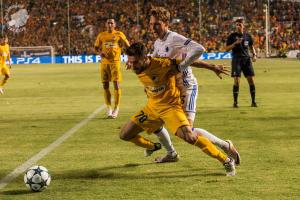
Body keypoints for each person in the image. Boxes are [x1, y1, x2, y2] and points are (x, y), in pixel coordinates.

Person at [120, 42, 237, 176]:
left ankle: (226, 160)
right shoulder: (138, 66)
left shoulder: (162, 64)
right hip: (152, 108)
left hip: (170, 107)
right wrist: (131, 63)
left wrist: (213, 67)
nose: (132, 66)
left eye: (135, 62)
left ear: (144, 58)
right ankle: (153, 146)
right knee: (124, 135)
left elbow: (189, 61)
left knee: (190, 136)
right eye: (130, 62)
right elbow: (140, 69)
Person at [145, 7, 240, 164]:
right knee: (154, 121)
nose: (153, 27)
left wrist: (180, 68)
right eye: (151, 24)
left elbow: (198, 49)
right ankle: (171, 153)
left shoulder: (174, 38)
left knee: (187, 131)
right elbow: (153, 62)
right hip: (170, 91)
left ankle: (226, 146)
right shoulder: (158, 43)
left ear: (166, 23)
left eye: (157, 24)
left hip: (186, 87)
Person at [94, 18, 130, 118]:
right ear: (106, 24)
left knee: (116, 85)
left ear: (115, 24)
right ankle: (109, 107)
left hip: (115, 63)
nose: (110, 24)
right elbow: (96, 47)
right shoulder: (101, 35)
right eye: (108, 23)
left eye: (112, 23)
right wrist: (99, 52)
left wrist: (130, 59)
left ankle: (116, 108)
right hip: (104, 64)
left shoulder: (119, 34)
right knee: (105, 85)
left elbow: (128, 46)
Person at [226, 18, 257, 108]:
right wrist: (235, 43)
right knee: (237, 81)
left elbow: (251, 46)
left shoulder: (247, 36)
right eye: (237, 25)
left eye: (240, 24)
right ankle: (235, 103)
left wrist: (254, 55)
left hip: (247, 60)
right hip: (236, 60)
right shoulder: (232, 36)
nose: (238, 26)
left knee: (251, 80)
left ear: (243, 26)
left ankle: (253, 102)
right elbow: (227, 49)